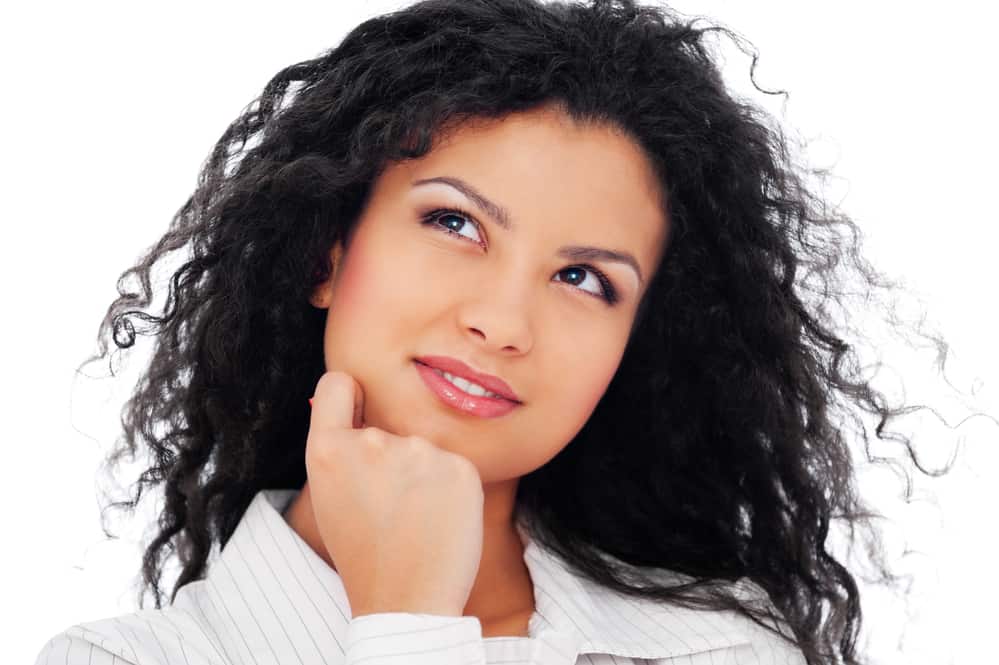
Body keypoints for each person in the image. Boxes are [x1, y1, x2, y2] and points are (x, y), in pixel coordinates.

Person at [34, 0, 961, 663]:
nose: (501, 321)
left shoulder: (722, 645)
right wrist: (405, 613)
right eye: (453, 223)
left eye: (582, 278)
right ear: (325, 251)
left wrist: (409, 619)